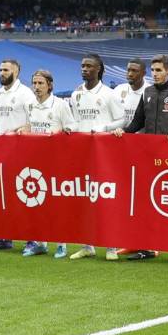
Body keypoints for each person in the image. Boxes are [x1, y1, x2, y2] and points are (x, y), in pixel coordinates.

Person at [114, 54, 168, 262]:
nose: (155, 74)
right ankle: (148, 247)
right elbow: (137, 122)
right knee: (147, 204)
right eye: (153, 70)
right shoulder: (147, 93)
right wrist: (122, 131)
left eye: (159, 70)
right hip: (149, 157)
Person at [64, 54, 126, 260]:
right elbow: (75, 120)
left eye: (89, 66)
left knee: (105, 199)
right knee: (84, 198)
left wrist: (103, 128)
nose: (84, 69)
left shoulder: (109, 94)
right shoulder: (76, 94)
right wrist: (70, 128)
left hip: (105, 154)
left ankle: (111, 247)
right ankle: (87, 245)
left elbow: (122, 120)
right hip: (82, 152)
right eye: (82, 66)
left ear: (99, 69)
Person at [17, 70, 74, 257]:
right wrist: (22, 130)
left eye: (41, 83)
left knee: (56, 204)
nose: (37, 87)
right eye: (34, 83)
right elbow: (30, 126)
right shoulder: (30, 105)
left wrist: (57, 135)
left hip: (56, 160)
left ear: (49, 85)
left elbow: (72, 128)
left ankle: (62, 244)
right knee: (36, 202)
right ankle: (40, 243)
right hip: (35, 160)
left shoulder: (60, 105)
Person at [0, 59, 37, 252]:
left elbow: (34, 121)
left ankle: (33, 240)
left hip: (20, 151)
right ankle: (4, 237)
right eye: (0, 69)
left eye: (6, 70)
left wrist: (20, 129)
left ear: (17, 71)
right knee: (2, 196)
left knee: (25, 196)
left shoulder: (26, 94)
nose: (2, 73)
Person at [115, 58, 148, 124]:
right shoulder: (118, 89)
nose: (130, 74)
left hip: (140, 134)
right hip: (119, 133)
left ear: (143, 73)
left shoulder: (150, 91)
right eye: (128, 70)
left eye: (134, 71)